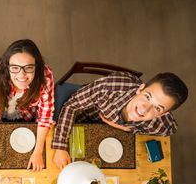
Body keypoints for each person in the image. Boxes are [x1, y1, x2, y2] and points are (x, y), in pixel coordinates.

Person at [52, 72, 188, 169]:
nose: (144, 109)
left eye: (157, 108)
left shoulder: (162, 124)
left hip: (111, 143)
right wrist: (60, 147)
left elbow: (172, 129)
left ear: (163, 114)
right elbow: (71, 106)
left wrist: (128, 129)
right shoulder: (109, 87)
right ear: (141, 88)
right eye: (147, 97)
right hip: (83, 120)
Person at [0, 39, 55, 171]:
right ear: (7, 66)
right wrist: (1, 128)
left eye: (29, 67)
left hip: (26, 111)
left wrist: (37, 152)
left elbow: (45, 117)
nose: (22, 75)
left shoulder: (45, 77)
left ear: (37, 66)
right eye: (15, 68)